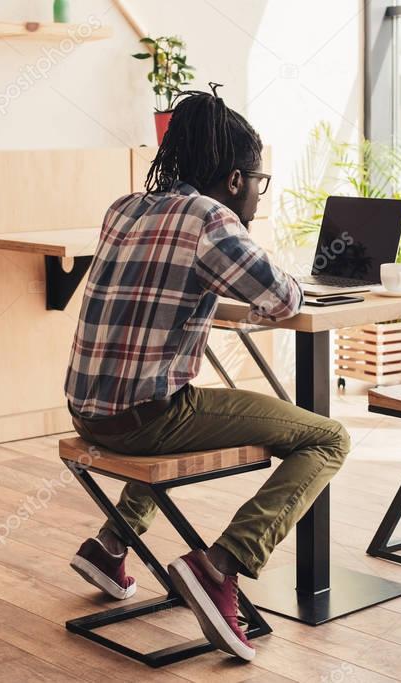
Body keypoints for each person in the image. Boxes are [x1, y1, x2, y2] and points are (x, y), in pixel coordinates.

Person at [65, 88, 350, 662]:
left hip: (89, 411)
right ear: (234, 178)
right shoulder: (209, 218)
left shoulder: (123, 208)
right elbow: (281, 297)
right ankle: (219, 566)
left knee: (171, 399)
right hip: (146, 420)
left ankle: (111, 544)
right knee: (327, 438)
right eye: (258, 181)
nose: (257, 193)